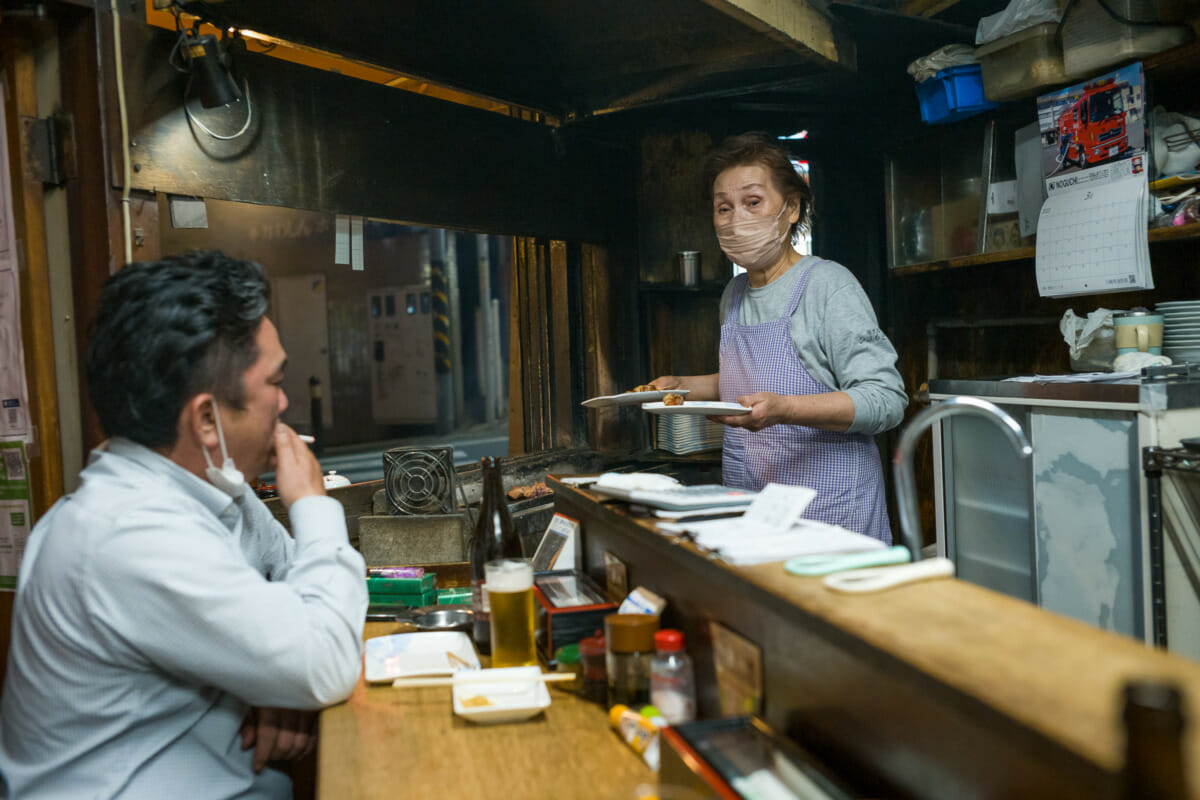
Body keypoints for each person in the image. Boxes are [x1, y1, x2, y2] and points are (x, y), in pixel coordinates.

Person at [0, 251, 368, 798]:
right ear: (205, 419)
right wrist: (312, 502)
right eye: (275, 381)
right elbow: (325, 656)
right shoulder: (126, 534)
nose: (286, 401)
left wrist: (279, 685)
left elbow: (308, 595)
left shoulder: (218, 492)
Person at [652, 133, 906, 543]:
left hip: (828, 513)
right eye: (723, 208)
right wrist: (684, 387)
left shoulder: (827, 285)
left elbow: (886, 400)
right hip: (756, 510)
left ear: (791, 207)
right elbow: (750, 381)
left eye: (753, 202)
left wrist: (785, 409)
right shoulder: (733, 295)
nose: (736, 219)